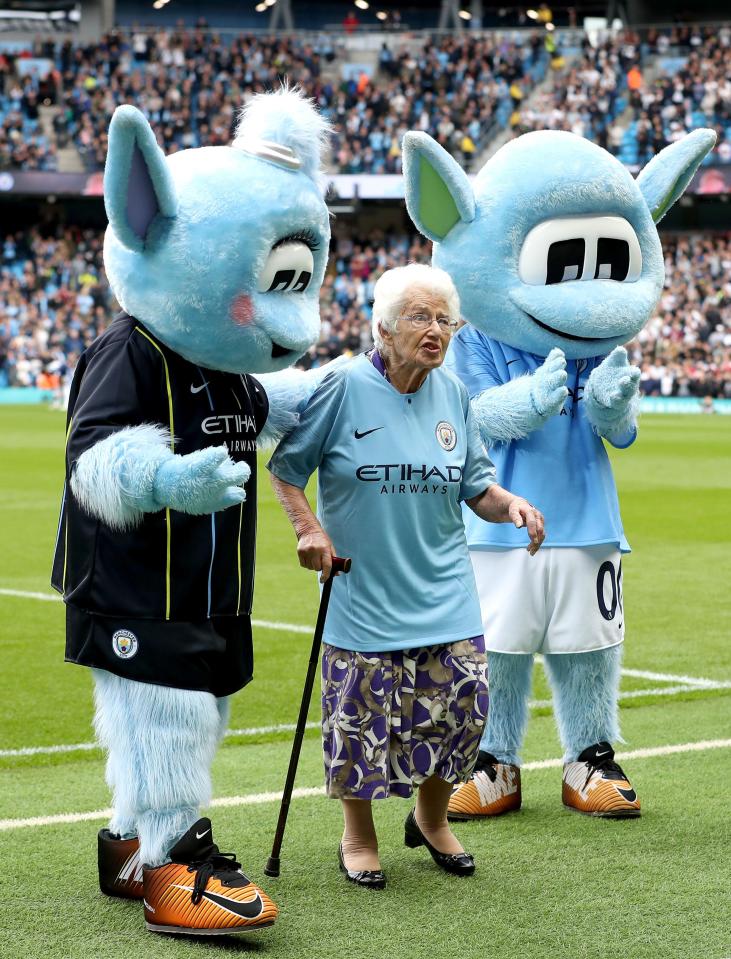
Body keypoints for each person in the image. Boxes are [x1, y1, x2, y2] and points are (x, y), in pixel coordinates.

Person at [268, 264, 545, 888]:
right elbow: (286, 469)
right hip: (362, 592)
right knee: (361, 718)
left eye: (445, 319)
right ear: (384, 327)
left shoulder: (453, 395)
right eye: (421, 317)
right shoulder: (340, 385)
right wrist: (309, 529)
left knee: (464, 708)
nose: (435, 330)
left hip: (445, 590)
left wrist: (513, 505)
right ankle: (358, 836)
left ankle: (431, 820)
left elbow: (475, 487)